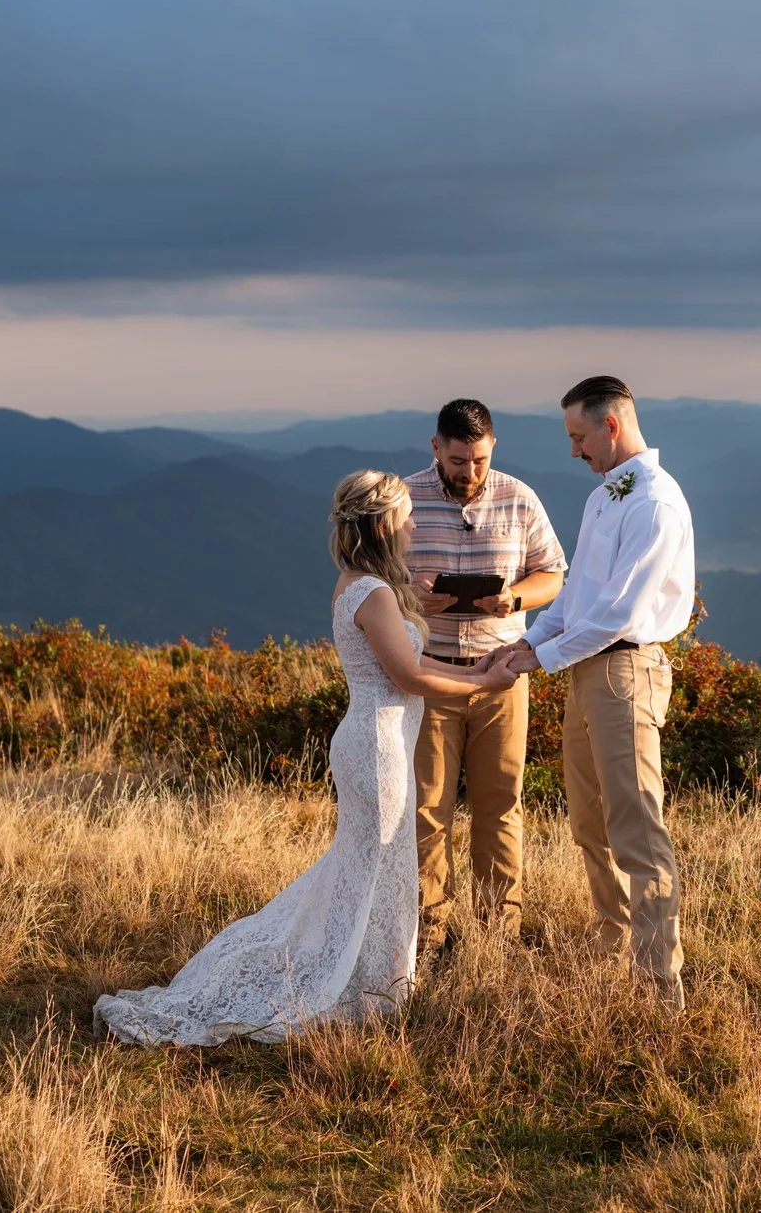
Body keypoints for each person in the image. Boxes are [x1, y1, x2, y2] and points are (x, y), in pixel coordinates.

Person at [96, 471, 515, 1046]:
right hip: (377, 749)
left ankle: (379, 983)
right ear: (385, 524)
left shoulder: (363, 586)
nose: (416, 522)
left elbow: (409, 671)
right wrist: (482, 683)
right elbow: (408, 674)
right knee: (376, 865)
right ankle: (362, 985)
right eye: (408, 514)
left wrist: (478, 674)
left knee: (378, 865)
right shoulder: (373, 594)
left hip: (378, 740)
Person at [484, 375, 696, 1005]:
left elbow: (619, 615)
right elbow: (577, 597)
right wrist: (526, 642)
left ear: (612, 425)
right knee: (589, 822)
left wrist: (536, 660)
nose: (574, 451)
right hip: (586, 670)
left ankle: (658, 980)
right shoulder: (605, 497)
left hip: (626, 669)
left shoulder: (655, 503)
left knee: (636, 825)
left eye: (579, 437)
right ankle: (613, 938)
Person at [406, 397, 567, 947]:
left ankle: (500, 929)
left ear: (492, 446)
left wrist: (516, 599)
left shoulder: (520, 499)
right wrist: (414, 598)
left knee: (501, 803)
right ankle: (429, 930)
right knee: (428, 806)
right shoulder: (403, 501)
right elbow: (372, 587)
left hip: (501, 673)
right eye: (457, 462)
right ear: (435, 448)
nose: (469, 473)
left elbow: (554, 574)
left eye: (477, 460)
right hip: (428, 673)